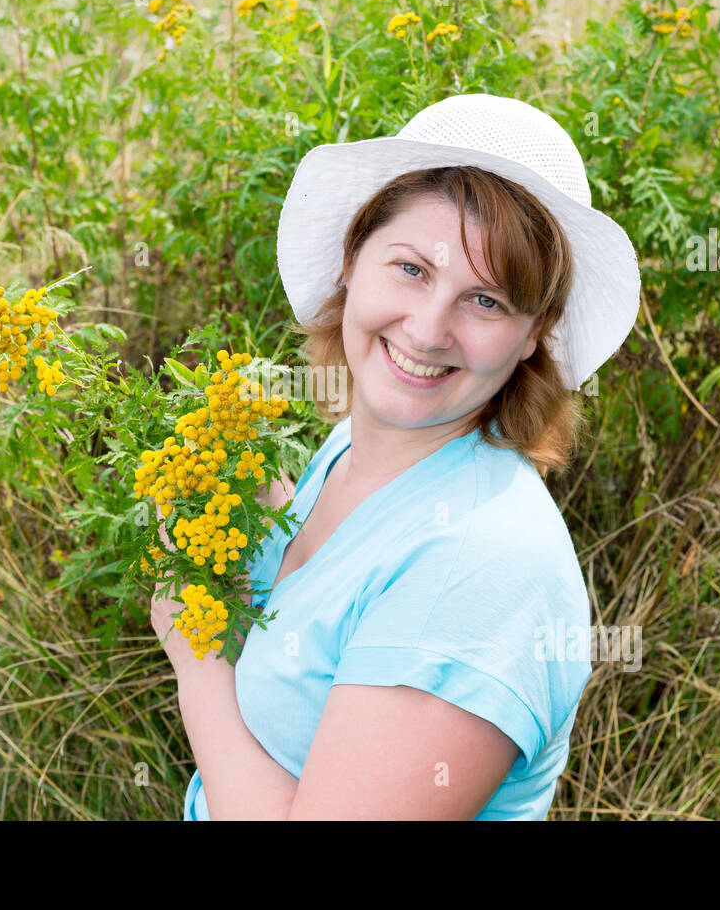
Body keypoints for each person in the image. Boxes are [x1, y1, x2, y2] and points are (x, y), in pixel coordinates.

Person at [166, 93, 641, 819]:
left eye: (485, 301)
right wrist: (262, 527)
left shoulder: (484, 567)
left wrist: (193, 653)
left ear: (532, 334)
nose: (426, 329)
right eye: (412, 269)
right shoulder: (357, 447)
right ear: (353, 259)